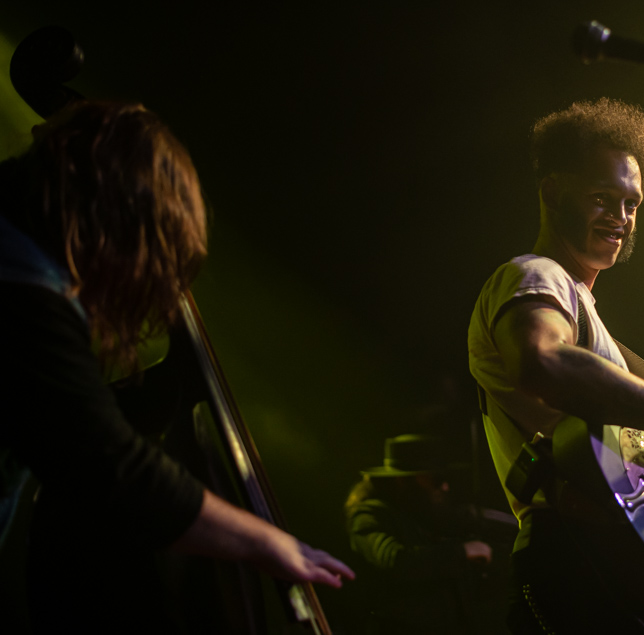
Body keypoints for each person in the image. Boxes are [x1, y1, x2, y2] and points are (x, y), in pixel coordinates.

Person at [0, 101, 353, 632]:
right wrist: (268, 541)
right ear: (117, 219)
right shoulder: (21, 286)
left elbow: (72, 429)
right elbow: (109, 468)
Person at [468, 98, 644, 634]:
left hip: (619, 565)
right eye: (601, 198)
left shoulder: (588, 314)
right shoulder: (535, 275)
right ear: (552, 193)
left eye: (631, 203)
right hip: (577, 561)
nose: (621, 217)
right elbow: (542, 361)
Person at [344, 433, 495, 634]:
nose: (444, 486)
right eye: (436, 479)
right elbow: (395, 560)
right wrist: (462, 551)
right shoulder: (369, 515)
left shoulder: (418, 514)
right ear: (403, 480)